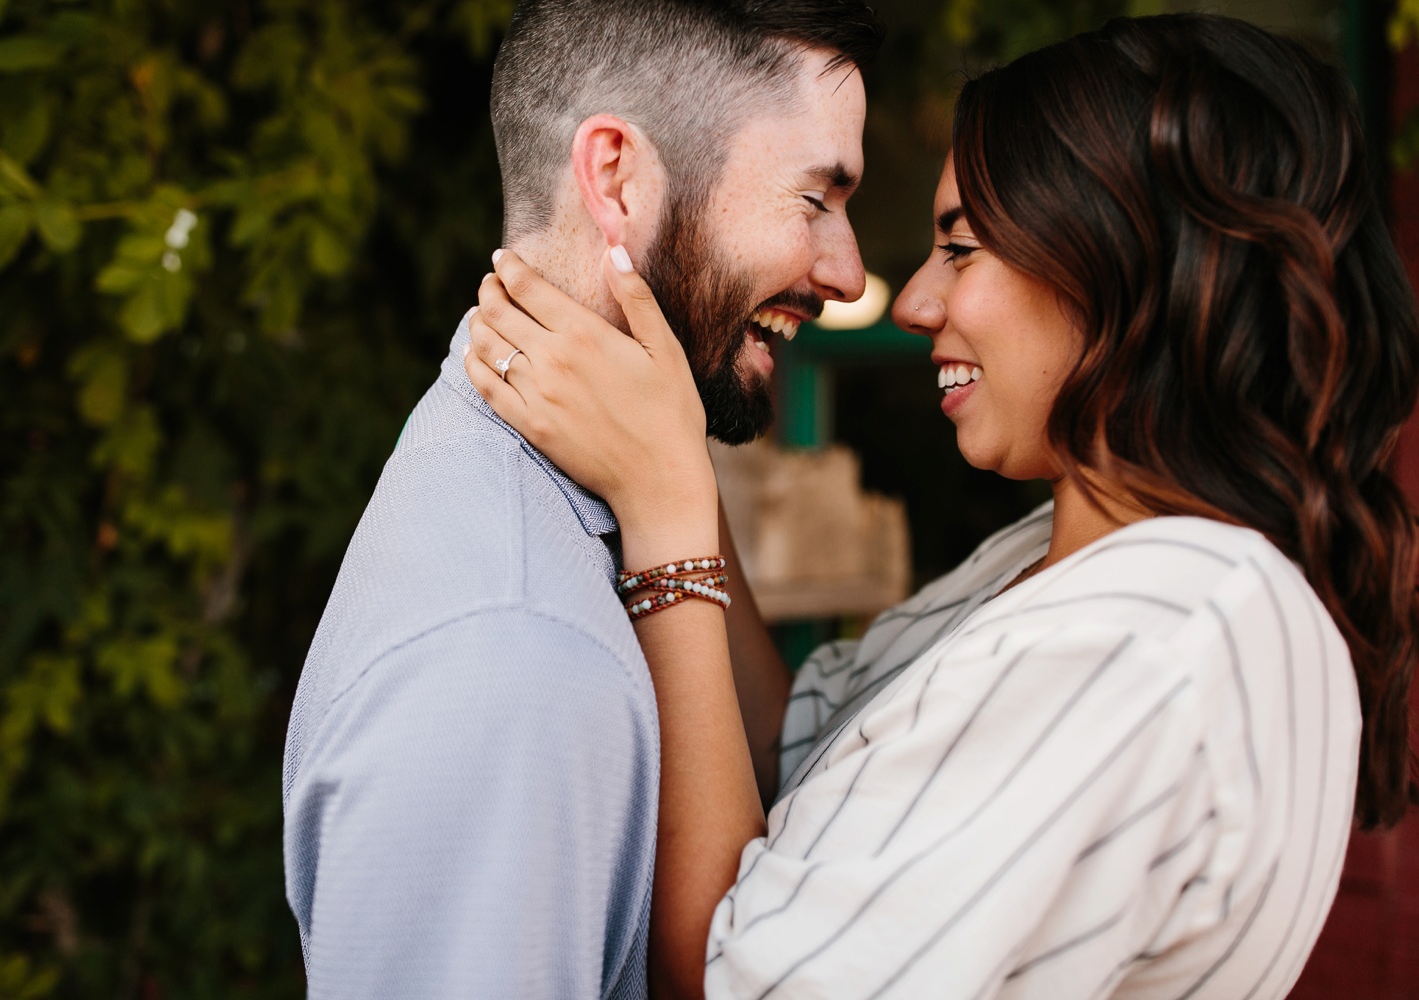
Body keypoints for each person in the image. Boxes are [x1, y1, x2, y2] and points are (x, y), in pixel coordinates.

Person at [464, 13, 1419, 999]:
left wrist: (663, 520)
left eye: (961, 249)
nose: (916, 302)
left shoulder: (1162, 633)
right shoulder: (1068, 556)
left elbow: (733, 982)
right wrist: (677, 453)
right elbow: (789, 743)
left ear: (1133, 262)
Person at [281, 1, 883, 996]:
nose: (849, 271)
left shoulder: (548, 491)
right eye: (815, 198)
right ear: (613, 176)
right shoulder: (513, 655)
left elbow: (776, 771)